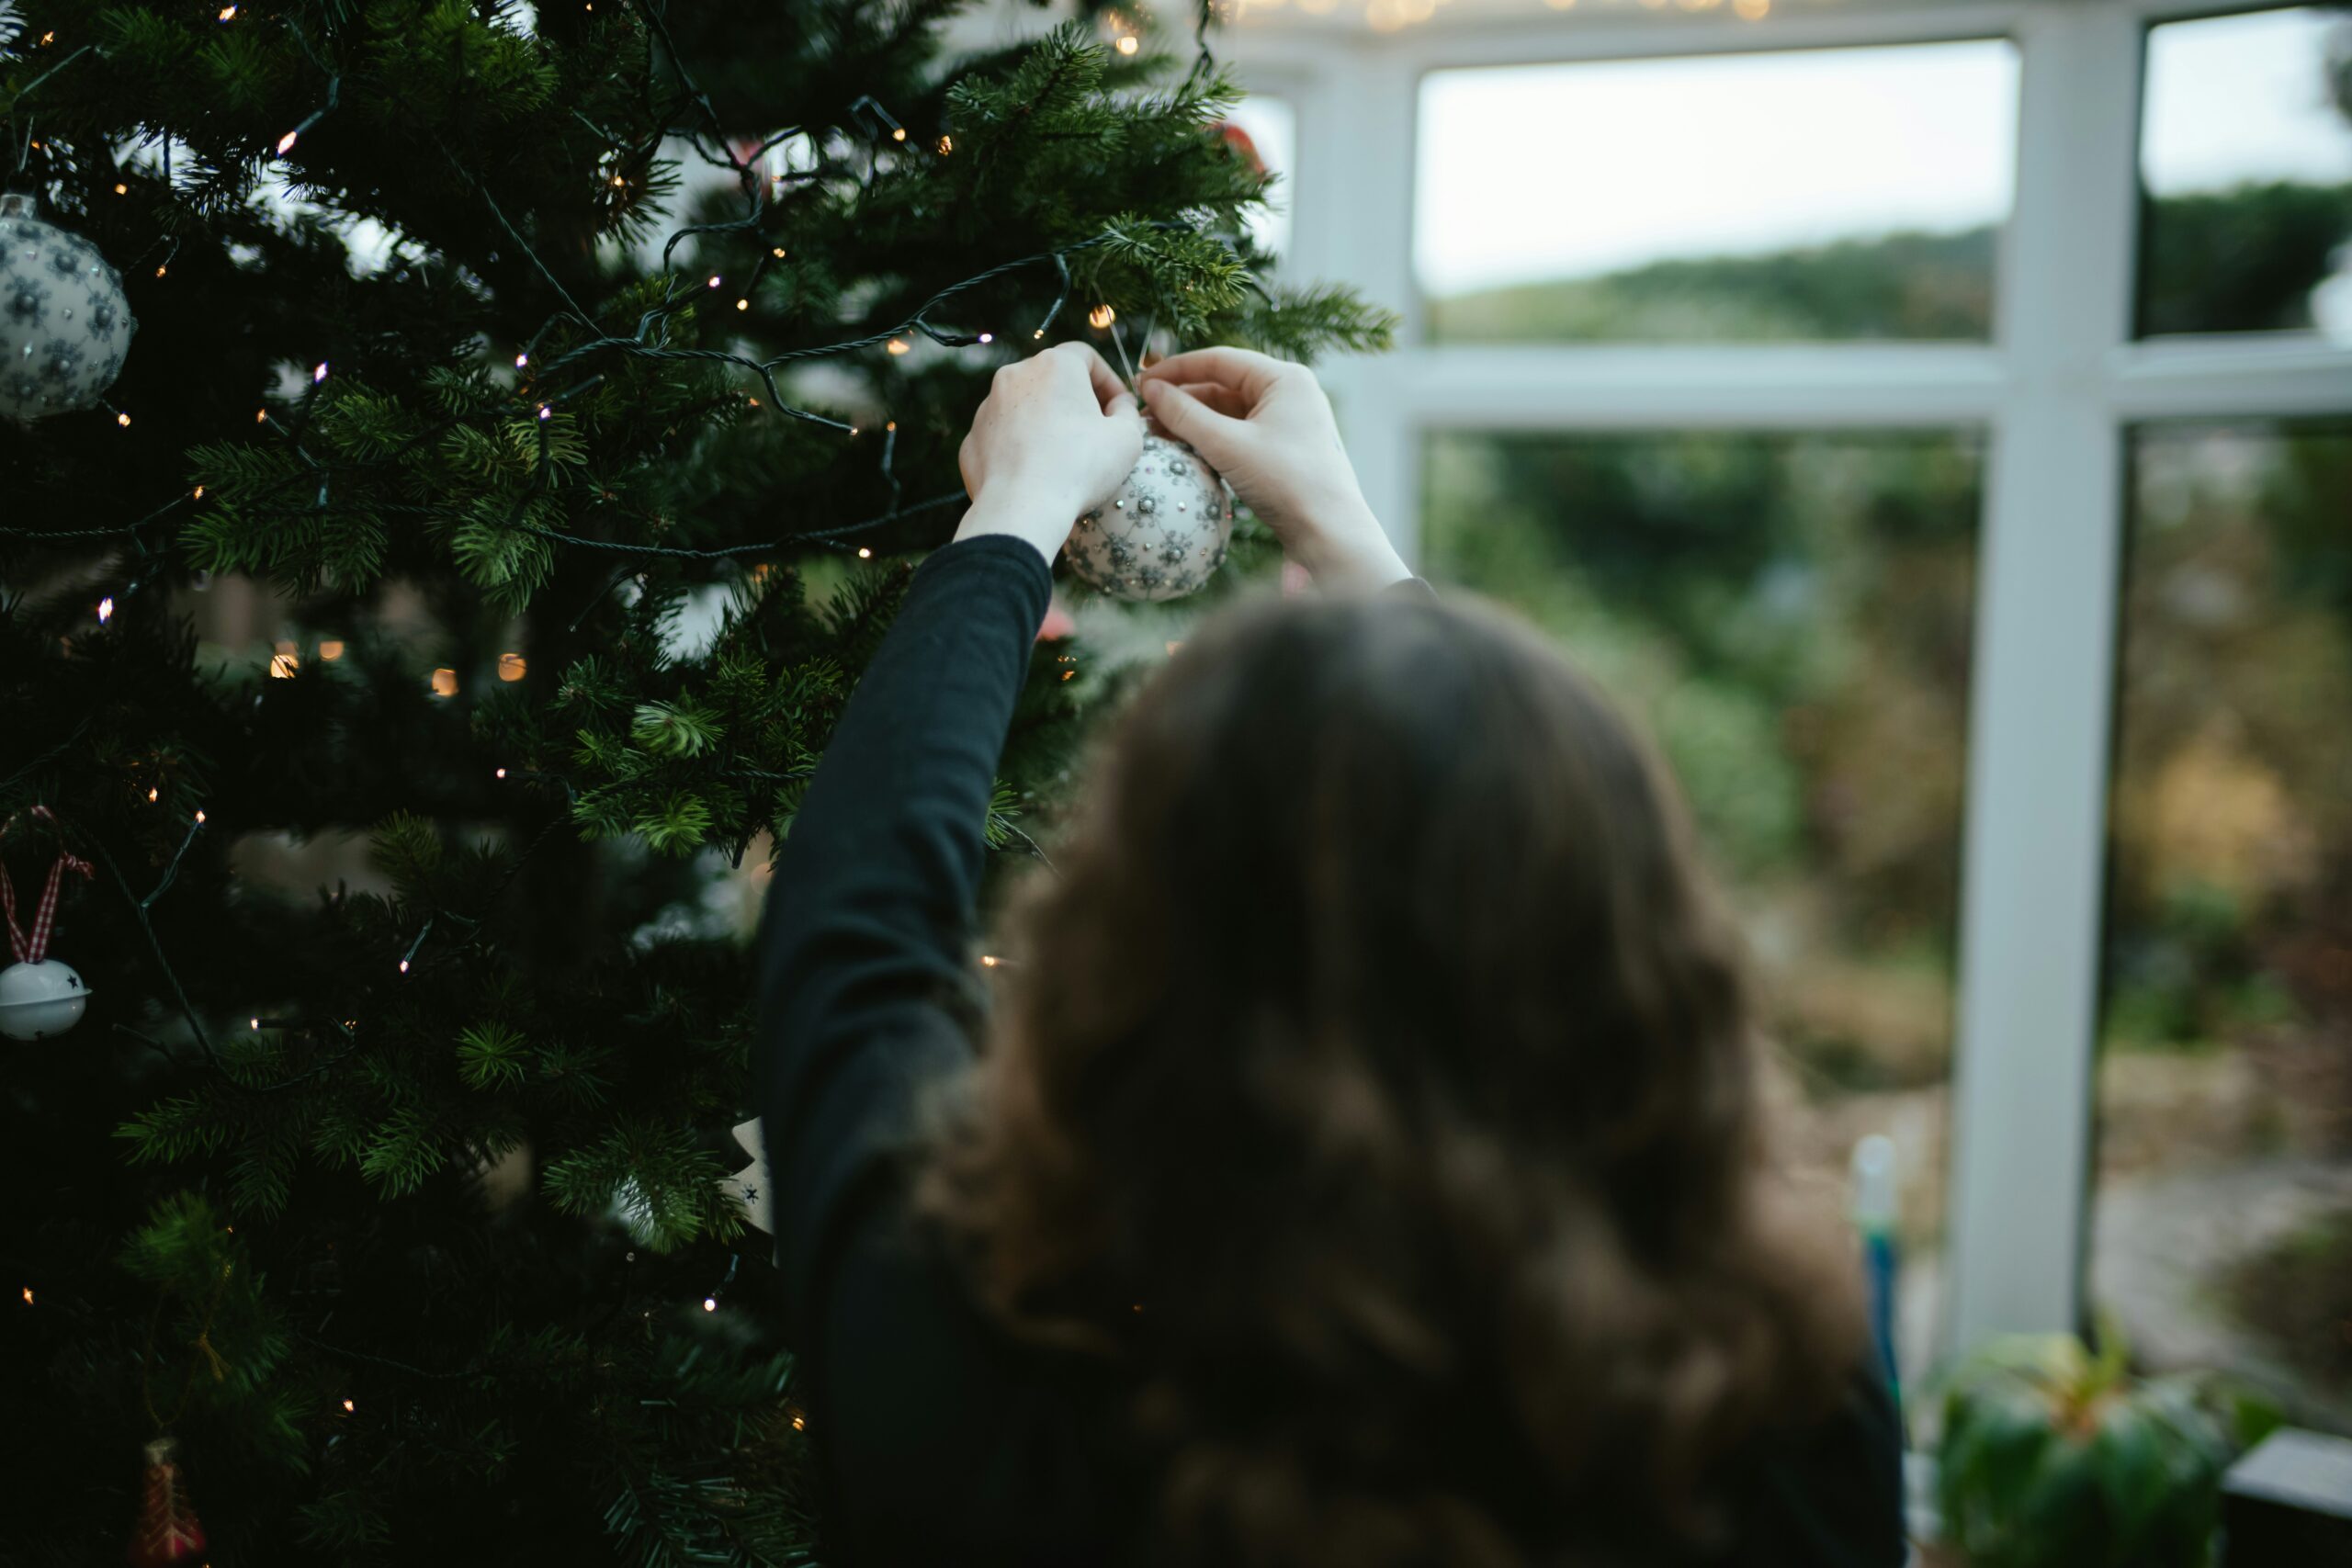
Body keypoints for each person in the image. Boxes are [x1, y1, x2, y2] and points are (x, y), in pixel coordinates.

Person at [754, 342, 1906, 1567]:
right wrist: (1344, 535)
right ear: (1627, 958)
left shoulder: (981, 1369)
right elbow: (856, 931)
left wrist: (1016, 514)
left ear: (1124, 960)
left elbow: (854, 925)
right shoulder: (1778, 1409)